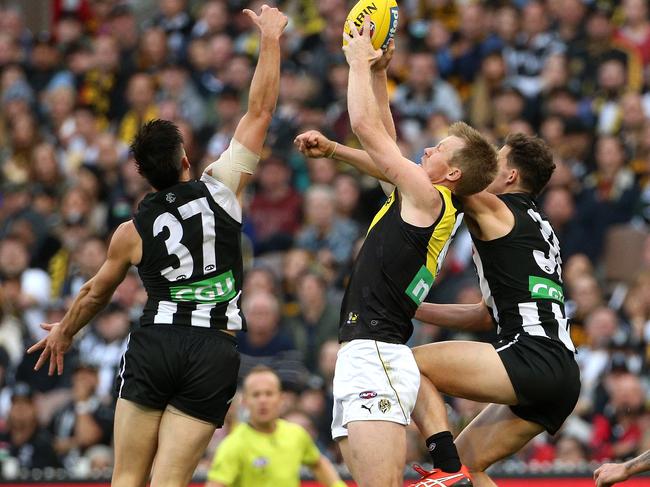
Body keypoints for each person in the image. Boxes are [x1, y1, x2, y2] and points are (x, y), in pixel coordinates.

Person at [26, 6, 288, 487]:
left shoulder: (130, 231)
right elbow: (261, 111)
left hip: (157, 342)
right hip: (213, 349)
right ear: (187, 160)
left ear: (142, 176)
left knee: (126, 478)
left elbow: (94, 293)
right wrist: (270, 39)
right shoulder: (222, 188)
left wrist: (64, 331)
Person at [298, 125, 580, 485]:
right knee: (473, 463)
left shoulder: (493, 205)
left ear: (509, 176)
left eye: (496, 162)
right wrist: (410, 305)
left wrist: (338, 151)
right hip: (561, 369)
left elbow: (404, 175)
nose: (487, 168)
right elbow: (483, 315)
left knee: (405, 363)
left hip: (532, 353)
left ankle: (445, 464)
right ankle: (455, 466)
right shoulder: (539, 228)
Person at [295, 19, 498, 487]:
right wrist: (381, 74)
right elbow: (385, 136)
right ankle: (450, 469)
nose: (426, 149)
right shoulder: (421, 202)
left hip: (376, 353)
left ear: (451, 175)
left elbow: (368, 127)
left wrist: (356, 62)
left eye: (438, 149)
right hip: (366, 353)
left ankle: (451, 472)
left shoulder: (427, 200)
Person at [205, 366, 344, 487]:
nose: (263, 400)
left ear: (281, 398)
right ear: (245, 402)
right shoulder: (233, 445)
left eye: (269, 393)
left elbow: (318, 463)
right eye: (256, 394)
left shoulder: (296, 434)